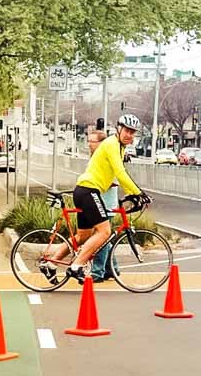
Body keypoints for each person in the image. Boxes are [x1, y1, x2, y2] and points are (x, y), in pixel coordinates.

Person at [44, 114, 150, 285]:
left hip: (85, 190)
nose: (129, 135)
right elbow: (120, 173)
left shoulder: (120, 147)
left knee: (82, 236)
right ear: (118, 129)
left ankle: (51, 264)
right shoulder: (111, 144)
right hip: (88, 190)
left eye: (133, 132)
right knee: (104, 231)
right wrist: (138, 193)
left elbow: (116, 173)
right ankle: (76, 266)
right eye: (127, 130)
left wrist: (134, 193)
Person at [87, 129, 118, 283]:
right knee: (106, 238)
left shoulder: (107, 157)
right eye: (89, 141)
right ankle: (113, 269)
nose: (89, 144)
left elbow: (114, 178)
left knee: (101, 239)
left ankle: (98, 272)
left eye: (92, 141)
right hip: (96, 202)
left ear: (102, 143)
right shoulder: (95, 158)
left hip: (106, 204)